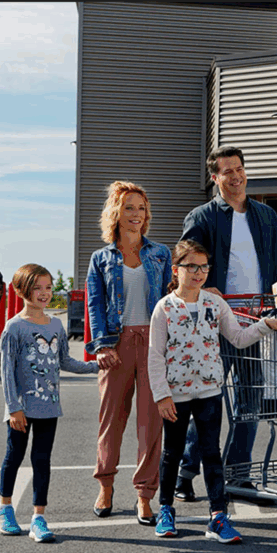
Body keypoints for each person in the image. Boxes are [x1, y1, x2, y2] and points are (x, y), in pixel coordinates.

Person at [173, 145, 277, 504]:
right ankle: (186, 473)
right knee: (209, 403)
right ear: (215, 178)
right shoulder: (203, 216)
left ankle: (238, 476)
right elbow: (184, 259)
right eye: (227, 171)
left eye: (239, 168)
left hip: (256, 323)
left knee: (250, 401)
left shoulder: (264, 216)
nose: (235, 176)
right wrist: (203, 284)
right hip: (216, 324)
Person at [148, 240, 277, 541]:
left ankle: (218, 517)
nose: (199, 273)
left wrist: (266, 324)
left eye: (204, 267)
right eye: (191, 267)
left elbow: (238, 337)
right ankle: (166, 510)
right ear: (176, 270)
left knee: (211, 453)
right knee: (171, 453)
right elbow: (155, 355)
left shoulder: (215, 304)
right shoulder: (164, 309)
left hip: (210, 392)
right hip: (175, 395)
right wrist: (161, 394)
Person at [0, 263, 114, 542]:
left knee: (42, 461)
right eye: (37, 287)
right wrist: (13, 408)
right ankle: (5, 508)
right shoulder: (14, 328)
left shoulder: (56, 325)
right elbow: (6, 372)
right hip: (21, 408)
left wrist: (96, 366)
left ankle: (39, 517)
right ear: (21, 290)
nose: (44, 293)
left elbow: (64, 361)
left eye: (48, 287)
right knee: (14, 456)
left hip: (49, 406)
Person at [86, 181, 170, 524]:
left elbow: (172, 297)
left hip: (153, 345)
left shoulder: (161, 253)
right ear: (116, 213)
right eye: (129, 208)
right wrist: (102, 346)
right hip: (116, 345)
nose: (137, 214)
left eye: (141, 208)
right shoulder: (101, 258)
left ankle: (144, 495)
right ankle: (105, 485)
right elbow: (95, 303)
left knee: (151, 425)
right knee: (111, 422)